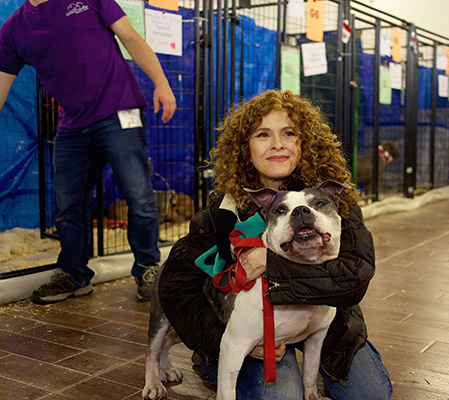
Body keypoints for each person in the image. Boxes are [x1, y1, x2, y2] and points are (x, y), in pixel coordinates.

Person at [158, 89, 393, 399]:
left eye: (289, 133)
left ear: (305, 141)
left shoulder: (332, 201)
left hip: (325, 324)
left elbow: (355, 275)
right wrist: (218, 340)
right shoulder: (224, 211)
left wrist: (270, 264)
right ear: (245, 148)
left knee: (371, 395)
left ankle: (314, 363)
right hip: (256, 331)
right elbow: (175, 286)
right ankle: (208, 359)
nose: (278, 144)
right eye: (262, 135)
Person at [0, 0, 177, 303]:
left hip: (119, 112)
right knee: (70, 205)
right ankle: (74, 275)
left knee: (139, 197)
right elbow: (2, 82)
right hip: (72, 124)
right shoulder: (14, 27)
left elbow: (130, 37)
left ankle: (147, 268)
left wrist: (161, 82)